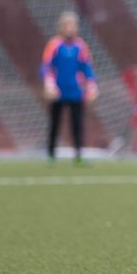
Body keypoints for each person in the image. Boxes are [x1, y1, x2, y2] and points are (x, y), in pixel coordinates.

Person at [42, 11, 98, 164]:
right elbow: (46, 66)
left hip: (75, 91)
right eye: (67, 25)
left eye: (72, 25)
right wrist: (49, 84)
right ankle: (51, 154)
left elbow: (87, 68)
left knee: (77, 124)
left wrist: (92, 86)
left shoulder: (81, 46)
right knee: (54, 123)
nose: (70, 28)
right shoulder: (54, 45)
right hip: (58, 91)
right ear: (61, 27)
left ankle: (79, 154)